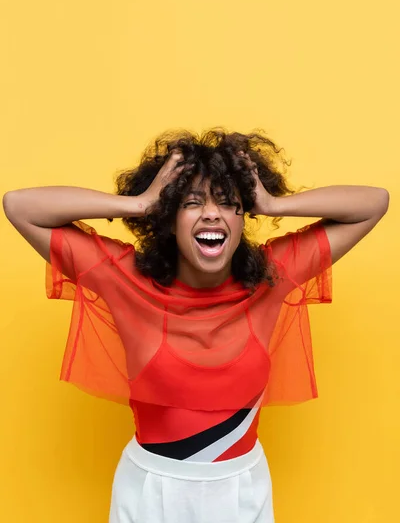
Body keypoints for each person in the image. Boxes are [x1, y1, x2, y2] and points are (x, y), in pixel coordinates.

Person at [3, 129, 389, 523]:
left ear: (243, 220)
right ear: (169, 221)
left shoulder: (273, 278)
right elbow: (19, 206)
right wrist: (141, 203)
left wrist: (272, 204)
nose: (211, 213)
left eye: (228, 203)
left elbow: (374, 202)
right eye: (191, 203)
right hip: (151, 491)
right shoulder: (123, 280)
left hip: (242, 489)